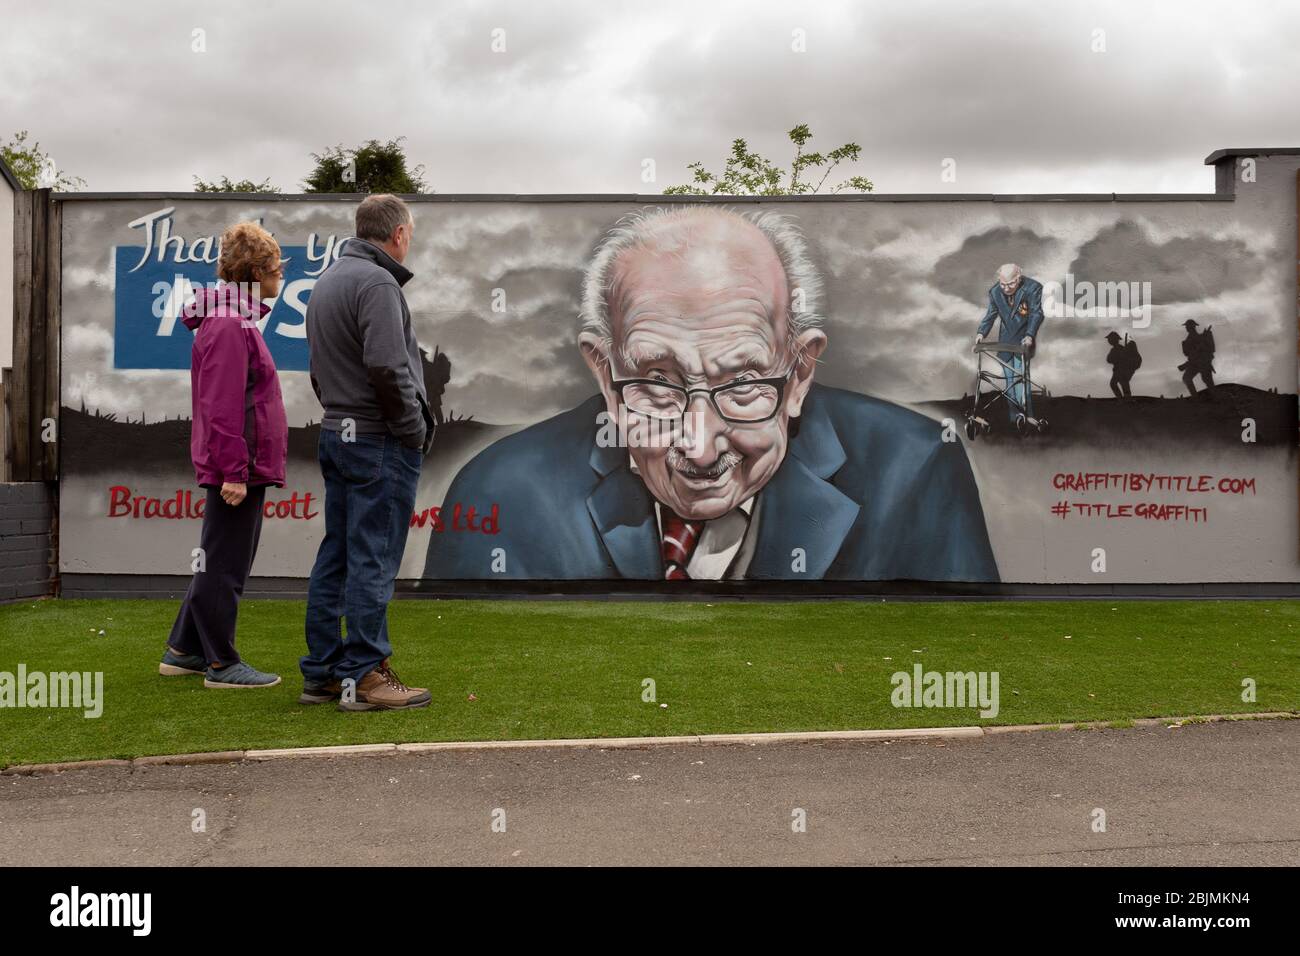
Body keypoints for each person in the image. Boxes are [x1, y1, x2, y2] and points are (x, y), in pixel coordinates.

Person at [425, 206, 997, 583]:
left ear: (798, 374)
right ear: (606, 375)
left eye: (743, 384)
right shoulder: (502, 494)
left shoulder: (916, 470)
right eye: (656, 383)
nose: (699, 449)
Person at [302, 194, 436, 711]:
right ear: (399, 234)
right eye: (411, 234)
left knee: (337, 553)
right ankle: (365, 675)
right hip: (379, 439)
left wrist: (342, 413)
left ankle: (322, 674)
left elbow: (318, 368)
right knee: (373, 557)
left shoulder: (329, 280)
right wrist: (409, 429)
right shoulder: (378, 283)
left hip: (339, 432)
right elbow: (387, 366)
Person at [160, 222, 288, 688]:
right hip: (239, 469)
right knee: (225, 563)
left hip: (244, 465)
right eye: (276, 268)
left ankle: (184, 650)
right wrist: (234, 471)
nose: (281, 277)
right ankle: (221, 663)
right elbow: (222, 405)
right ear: (256, 271)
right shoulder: (231, 324)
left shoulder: (235, 317)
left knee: (219, 555)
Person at [974, 263, 1044, 424]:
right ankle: (1015, 418)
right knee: (1009, 381)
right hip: (1005, 341)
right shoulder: (994, 292)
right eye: (1002, 284)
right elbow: (990, 315)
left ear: (1018, 279)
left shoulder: (1033, 288)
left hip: (1024, 340)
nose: (1006, 288)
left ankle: (1027, 416)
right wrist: (981, 333)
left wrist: (1030, 335)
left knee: (1022, 378)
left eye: (1011, 284)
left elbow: (1036, 313)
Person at [1179, 319, 1216, 394]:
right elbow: (1187, 353)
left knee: (1208, 382)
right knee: (1186, 378)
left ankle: (1216, 399)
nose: (1186, 328)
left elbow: (1209, 350)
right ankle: (1195, 397)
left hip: (1203, 363)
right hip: (1194, 363)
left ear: (1192, 327)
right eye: (1186, 326)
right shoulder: (1188, 339)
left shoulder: (1200, 337)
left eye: (1187, 326)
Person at [1105, 331, 1141, 398]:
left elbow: (1111, 359)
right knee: (1117, 383)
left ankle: (1125, 398)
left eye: (1110, 339)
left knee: (1121, 382)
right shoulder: (1116, 349)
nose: (1109, 340)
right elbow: (1109, 359)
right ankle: (1122, 398)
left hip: (1122, 370)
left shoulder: (1121, 349)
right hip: (1118, 370)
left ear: (1115, 339)